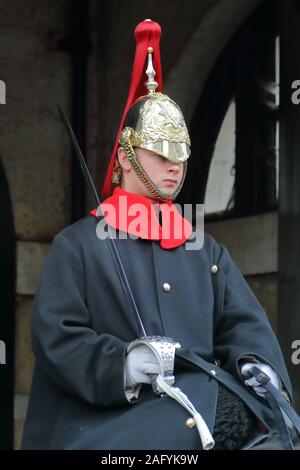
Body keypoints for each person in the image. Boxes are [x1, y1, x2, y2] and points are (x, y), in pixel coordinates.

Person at [22, 20, 298, 450]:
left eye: (181, 153)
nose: (175, 166)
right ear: (127, 157)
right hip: (111, 426)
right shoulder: (77, 245)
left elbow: (244, 323)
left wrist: (257, 364)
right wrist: (125, 362)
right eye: (161, 153)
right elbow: (56, 337)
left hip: (199, 415)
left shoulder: (202, 247)